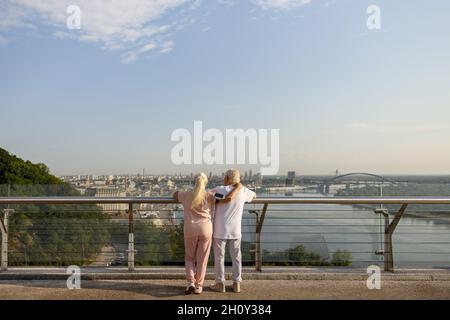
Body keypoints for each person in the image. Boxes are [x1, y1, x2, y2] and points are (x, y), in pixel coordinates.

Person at [210, 169, 256, 293]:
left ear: (226, 178)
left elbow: (207, 195)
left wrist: (220, 199)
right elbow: (254, 196)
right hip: (235, 230)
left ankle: (220, 283)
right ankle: (237, 283)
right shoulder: (243, 191)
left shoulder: (219, 189)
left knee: (219, 257)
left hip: (220, 230)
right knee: (236, 257)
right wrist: (240, 187)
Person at [173, 173, 215, 295]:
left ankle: (190, 282)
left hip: (190, 229)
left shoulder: (186, 195)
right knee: (202, 260)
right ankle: (198, 286)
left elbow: (174, 194)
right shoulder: (209, 195)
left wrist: (183, 190)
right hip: (206, 229)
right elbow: (222, 198)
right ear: (205, 183)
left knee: (189, 257)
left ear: (194, 182)